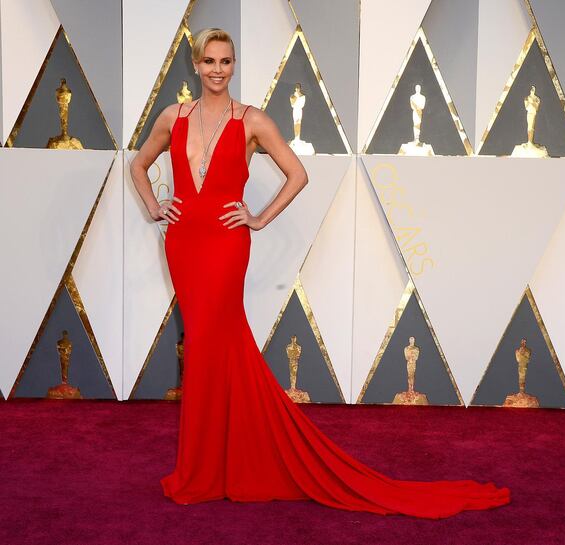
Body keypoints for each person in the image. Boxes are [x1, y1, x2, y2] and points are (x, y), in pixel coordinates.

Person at [129, 27, 510, 518]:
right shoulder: (172, 117)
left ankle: (210, 469)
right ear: (196, 66)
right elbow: (139, 165)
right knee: (208, 348)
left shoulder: (253, 121)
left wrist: (259, 218)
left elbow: (298, 174)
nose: (218, 70)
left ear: (233, 65)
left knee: (212, 344)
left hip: (226, 245)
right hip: (184, 244)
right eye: (209, 61)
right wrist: (156, 206)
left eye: (226, 62)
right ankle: (210, 466)